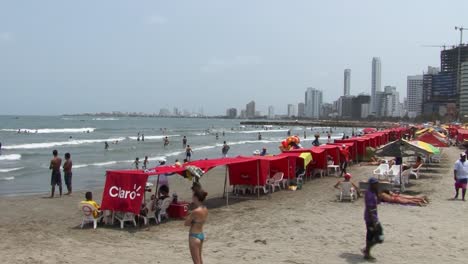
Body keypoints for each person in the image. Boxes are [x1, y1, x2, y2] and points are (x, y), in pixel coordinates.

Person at [185, 187, 208, 264]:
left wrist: (188, 212)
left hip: (194, 236)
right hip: (201, 234)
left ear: (196, 198)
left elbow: (186, 223)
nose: (192, 198)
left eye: (193, 196)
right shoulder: (205, 209)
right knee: (200, 260)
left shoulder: (195, 211)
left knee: (196, 262)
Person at [362, 177, 383, 260]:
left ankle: (366, 250)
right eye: (375, 184)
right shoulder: (369, 194)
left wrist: (378, 194)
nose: (377, 185)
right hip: (370, 218)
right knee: (375, 236)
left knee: (377, 236)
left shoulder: (373, 192)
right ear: (371, 185)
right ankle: (367, 252)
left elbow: (378, 202)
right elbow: (370, 208)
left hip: (374, 217)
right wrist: (374, 221)